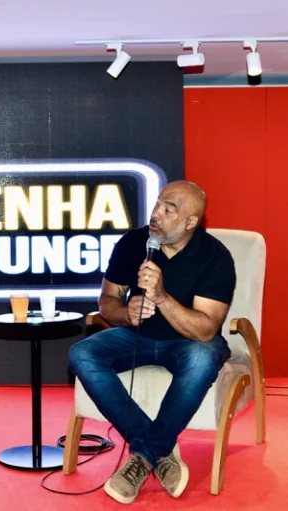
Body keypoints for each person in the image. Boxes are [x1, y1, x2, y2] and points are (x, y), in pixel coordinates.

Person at [67, 181, 235, 504]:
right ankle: (158, 448)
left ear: (191, 222)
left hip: (188, 343)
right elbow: (107, 302)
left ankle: (143, 455)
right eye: (158, 204)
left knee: (204, 356)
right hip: (137, 337)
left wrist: (161, 297)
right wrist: (125, 313)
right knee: (82, 353)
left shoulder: (215, 257)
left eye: (169, 209)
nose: (156, 213)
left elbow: (205, 329)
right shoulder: (134, 242)